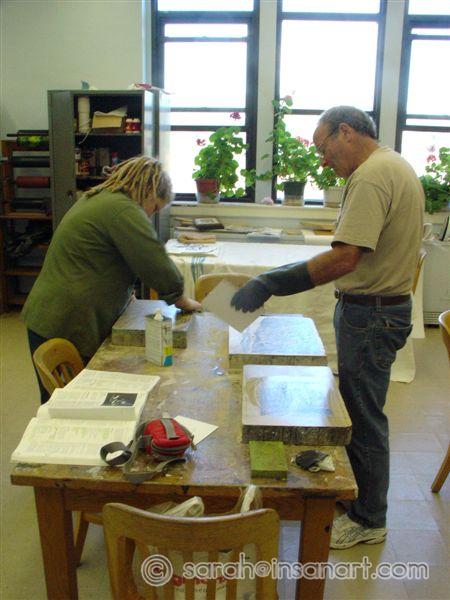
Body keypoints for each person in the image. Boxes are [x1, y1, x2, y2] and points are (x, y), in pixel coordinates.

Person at [231, 106, 424, 549]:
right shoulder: (392, 164)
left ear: (346, 132)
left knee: (363, 417)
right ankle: (358, 498)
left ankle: (369, 519)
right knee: (357, 408)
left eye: (323, 148)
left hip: (371, 314)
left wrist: (271, 283)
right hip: (377, 309)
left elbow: (344, 258)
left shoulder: (372, 175)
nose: (322, 160)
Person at [22, 156, 201, 403]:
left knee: (63, 403)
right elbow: (152, 259)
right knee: (71, 404)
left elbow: (103, 258)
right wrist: (180, 298)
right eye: (155, 208)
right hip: (67, 318)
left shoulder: (101, 198)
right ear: (149, 191)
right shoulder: (123, 209)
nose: (151, 215)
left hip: (51, 312)